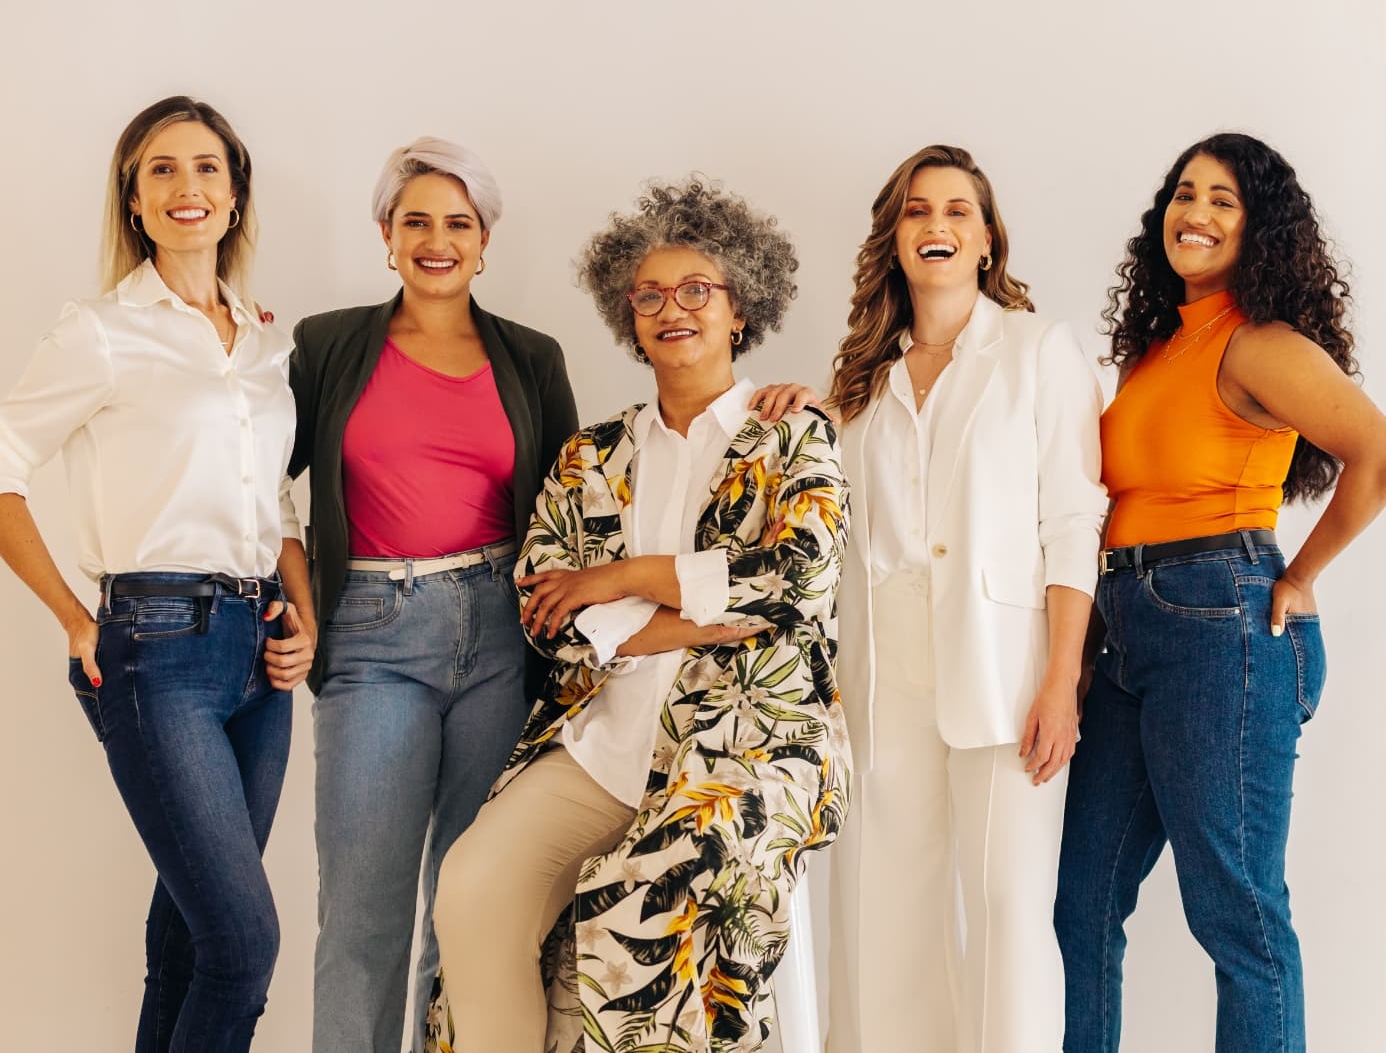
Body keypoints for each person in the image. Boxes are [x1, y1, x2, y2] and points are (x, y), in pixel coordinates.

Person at [428, 176, 852, 1053]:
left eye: (697, 289)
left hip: (749, 743)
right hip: (601, 745)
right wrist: (697, 607)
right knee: (471, 887)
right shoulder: (592, 455)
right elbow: (548, 604)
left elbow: (793, 583)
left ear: (741, 309)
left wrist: (621, 579)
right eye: (650, 294)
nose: (673, 309)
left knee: (653, 898)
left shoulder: (792, 437)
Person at [1054, 132, 1386, 1052]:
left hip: (1218, 624)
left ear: (1260, 229)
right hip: (1129, 633)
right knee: (1081, 904)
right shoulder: (1158, 350)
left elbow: (1377, 449)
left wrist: (1299, 575)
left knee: (1235, 911)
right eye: (1184, 194)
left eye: (1223, 201)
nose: (1194, 214)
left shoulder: (1258, 343)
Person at [0, 96, 314, 1052]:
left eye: (208, 168)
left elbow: (277, 506)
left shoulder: (266, 340)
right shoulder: (99, 331)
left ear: (235, 192)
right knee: (244, 943)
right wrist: (70, 614)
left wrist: (303, 612)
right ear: (134, 200)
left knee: (189, 936)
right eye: (163, 170)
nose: (189, 187)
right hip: (154, 647)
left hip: (261, 658)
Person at [287, 137, 579, 1052]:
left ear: (485, 240)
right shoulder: (327, 344)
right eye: (416, 220)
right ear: (386, 233)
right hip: (373, 635)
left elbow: (580, 504)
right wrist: (298, 601)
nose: (437, 239)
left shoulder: (531, 357)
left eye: (459, 222)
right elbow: (249, 472)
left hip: (502, 632)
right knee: (363, 918)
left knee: (469, 913)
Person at [825, 144, 1106, 1052]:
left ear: (987, 240)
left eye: (956, 210)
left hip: (1004, 669)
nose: (935, 225)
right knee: (887, 906)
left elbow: (1072, 520)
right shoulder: (864, 381)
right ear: (895, 237)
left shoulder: (1037, 352)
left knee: (1006, 908)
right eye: (915, 211)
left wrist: (1062, 678)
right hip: (882, 670)